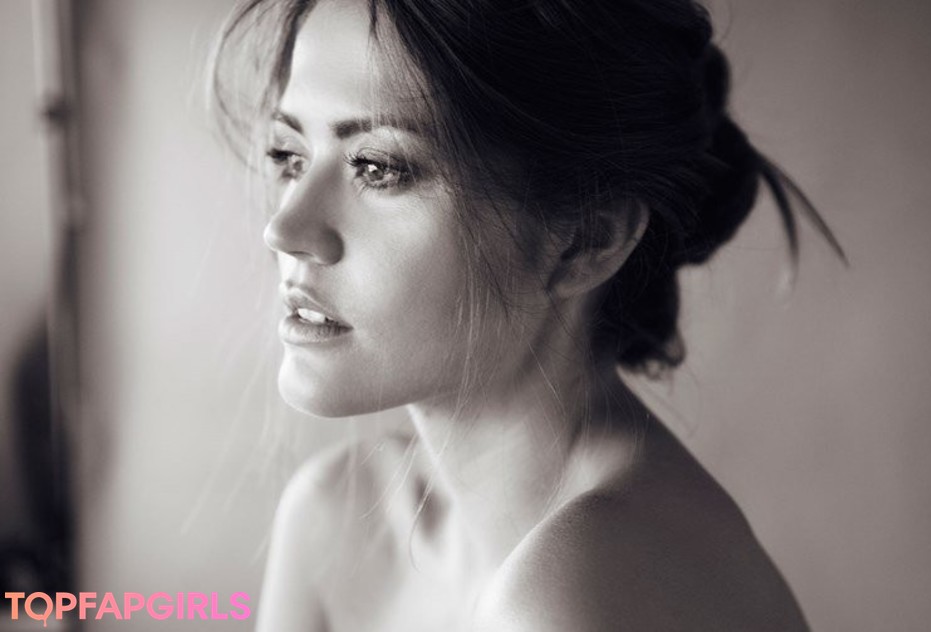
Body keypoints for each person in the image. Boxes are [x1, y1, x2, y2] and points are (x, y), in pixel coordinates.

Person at [211, 0, 843, 629]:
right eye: (288, 156)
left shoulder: (579, 592)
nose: (284, 229)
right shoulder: (335, 520)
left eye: (378, 168)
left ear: (585, 240)